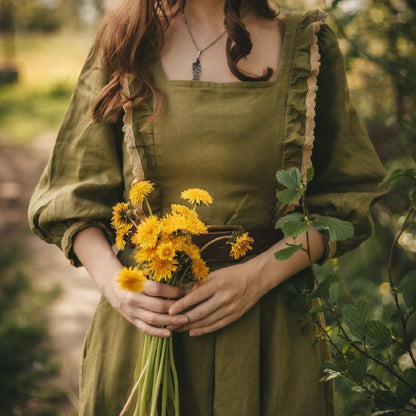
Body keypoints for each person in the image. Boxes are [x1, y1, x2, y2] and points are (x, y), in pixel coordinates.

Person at [28, 0, 388, 414]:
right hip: (146, 330)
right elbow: (74, 194)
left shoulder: (308, 44)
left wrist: (260, 275)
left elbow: (345, 199)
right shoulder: (125, 41)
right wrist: (117, 287)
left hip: (270, 333)